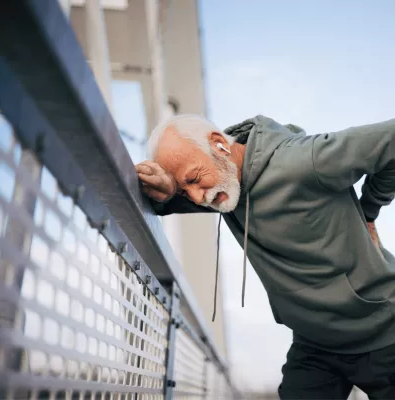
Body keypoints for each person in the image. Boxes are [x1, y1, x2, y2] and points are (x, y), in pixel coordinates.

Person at [135, 113, 395, 399]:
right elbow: (159, 202)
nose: (197, 198)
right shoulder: (222, 186)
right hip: (316, 345)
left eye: (194, 180)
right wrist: (172, 189)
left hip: (382, 332)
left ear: (219, 144)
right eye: (187, 190)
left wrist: (370, 210)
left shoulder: (304, 161)